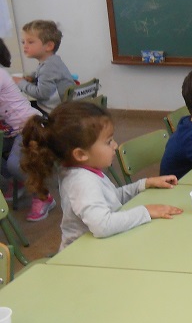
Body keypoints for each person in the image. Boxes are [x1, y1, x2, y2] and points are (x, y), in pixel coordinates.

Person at [20, 101, 183, 251]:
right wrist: (145, 211)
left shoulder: (86, 171)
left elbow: (111, 199)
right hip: (82, 256)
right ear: (80, 154)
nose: (115, 145)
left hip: (100, 247)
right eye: (108, 141)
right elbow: (102, 225)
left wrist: (143, 184)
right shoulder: (82, 182)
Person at [0, 39, 56, 221]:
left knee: (14, 164)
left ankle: (43, 195)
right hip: (12, 131)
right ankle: (17, 181)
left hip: (30, 127)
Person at [12, 20, 75, 115]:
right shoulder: (52, 62)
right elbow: (40, 73)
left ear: (49, 46)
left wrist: (21, 83)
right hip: (55, 106)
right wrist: (31, 77)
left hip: (54, 111)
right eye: (23, 42)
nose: (25, 46)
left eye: (30, 42)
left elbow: (42, 94)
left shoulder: (49, 67)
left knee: (16, 110)